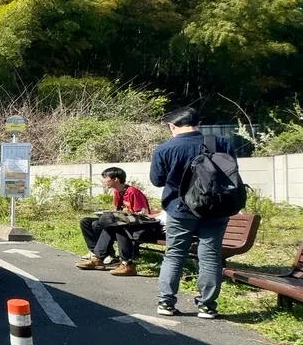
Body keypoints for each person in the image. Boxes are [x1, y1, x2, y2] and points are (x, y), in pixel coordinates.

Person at [150, 107, 236, 319]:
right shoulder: (221, 143)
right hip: (216, 209)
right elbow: (232, 174)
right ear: (198, 123)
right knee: (210, 256)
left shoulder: (165, 148)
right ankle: (207, 306)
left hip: (180, 209)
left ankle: (166, 303)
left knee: (175, 254)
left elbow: (157, 180)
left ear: (172, 126)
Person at [76, 167, 153, 276]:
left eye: (105, 178)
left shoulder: (133, 192)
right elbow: (118, 210)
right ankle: (98, 255)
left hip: (138, 224)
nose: (103, 181)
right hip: (121, 221)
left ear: (115, 179)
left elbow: (143, 214)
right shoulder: (117, 193)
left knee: (109, 226)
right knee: (87, 221)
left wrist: (124, 214)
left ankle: (105, 258)